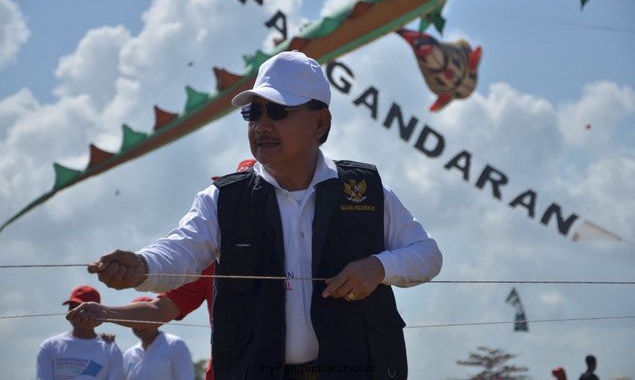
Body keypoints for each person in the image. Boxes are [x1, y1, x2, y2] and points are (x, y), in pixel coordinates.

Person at [81, 50, 443, 380]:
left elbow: (427, 255)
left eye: (278, 111)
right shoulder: (222, 199)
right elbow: (180, 251)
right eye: (253, 113)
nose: (261, 125)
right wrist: (141, 266)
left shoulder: (364, 190)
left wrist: (378, 268)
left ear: (320, 123)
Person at [67, 160, 257, 380]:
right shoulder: (208, 263)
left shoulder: (302, 247)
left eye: (250, 198)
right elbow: (159, 310)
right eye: (234, 199)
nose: (237, 208)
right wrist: (106, 312)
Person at [36, 285, 123, 380]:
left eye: (81, 308)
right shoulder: (50, 346)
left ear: (95, 311)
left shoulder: (111, 350)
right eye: (72, 307)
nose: (75, 312)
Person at [122, 296, 194, 380]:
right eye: (134, 320)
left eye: (144, 319)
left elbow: (185, 377)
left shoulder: (175, 345)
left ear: (156, 320)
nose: (139, 326)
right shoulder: (129, 354)